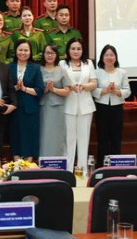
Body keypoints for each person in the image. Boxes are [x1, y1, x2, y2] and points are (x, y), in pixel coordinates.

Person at [59, 38, 97, 172]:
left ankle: (83, 170)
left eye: (78, 49)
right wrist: (71, 86)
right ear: (68, 50)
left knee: (84, 138)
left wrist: (84, 86)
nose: (76, 51)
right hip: (68, 105)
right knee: (68, 139)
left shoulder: (89, 63)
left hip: (86, 106)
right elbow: (60, 82)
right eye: (73, 48)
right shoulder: (62, 64)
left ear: (83, 50)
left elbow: (94, 83)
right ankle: (68, 171)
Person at [93, 44, 131, 167]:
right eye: (106, 55)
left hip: (117, 108)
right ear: (102, 57)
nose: (109, 57)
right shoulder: (96, 72)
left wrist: (117, 91)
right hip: (101, 108)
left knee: (116, 137)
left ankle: (115, 166)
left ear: (115, 57)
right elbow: (92, 90)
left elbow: (127, 91)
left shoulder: (122, 72)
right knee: (102, 138)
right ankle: (101, 167)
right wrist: (104, 90)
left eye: (112, 55)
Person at [9, 39, 45, 159]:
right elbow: (5, 89)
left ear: (30, 52)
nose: (23, 53)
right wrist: (16, 87)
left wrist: (24, 88)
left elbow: (40, 90)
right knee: (15, 135)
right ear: (16, 51)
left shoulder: (35, 68)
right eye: (20, 50)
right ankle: (16, 163)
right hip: (14, 108)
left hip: (31, 108)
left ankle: (29, 164)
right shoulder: (9, 67)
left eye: (26, 50)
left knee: (30, 136)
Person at [39, 44, 70, 157]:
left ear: (56, 55)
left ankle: (57, 162)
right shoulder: (38, 69)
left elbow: (67, 91)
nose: (50, 55)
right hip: (42, 107)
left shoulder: (62, 71)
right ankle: (43, 162)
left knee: (57, 135)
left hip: (58, 109)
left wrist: (53, 89)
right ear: (43, 54)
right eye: (47, 53)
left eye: (52, 53)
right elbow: (35, 89)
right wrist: (44, 90)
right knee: (43, 135)